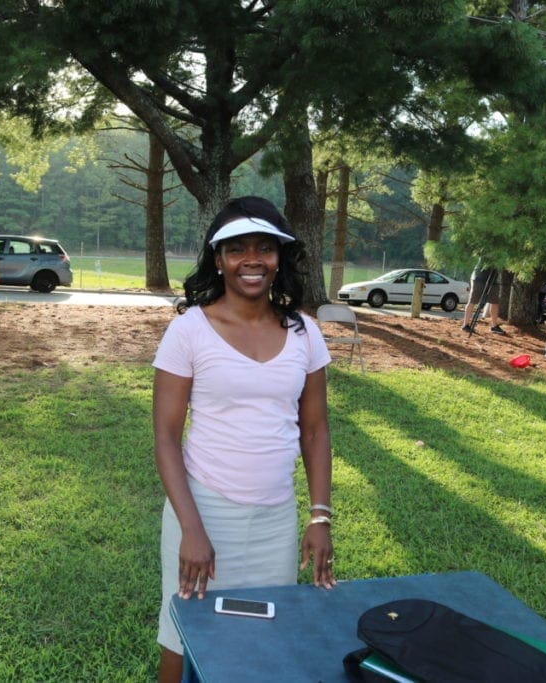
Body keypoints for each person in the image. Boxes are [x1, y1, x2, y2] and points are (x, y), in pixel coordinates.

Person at [152, 196, 336, 682]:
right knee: (183, 634)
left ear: (280, 258)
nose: (252, 260)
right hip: (204, 509)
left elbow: (315, 431)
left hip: (275, 517)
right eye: (237, 249)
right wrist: (192, 529)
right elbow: (166, 438)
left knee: (263, 637)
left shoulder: (305, 332)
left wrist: (320, 516)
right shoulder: (189, 331)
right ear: (218, 259)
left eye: (265, 248)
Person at [462, 261, 507, 335]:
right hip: (479, 278)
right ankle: (465, 325)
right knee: (472, 301)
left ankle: (494, 326)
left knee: (495, 302)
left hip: (493, 279)